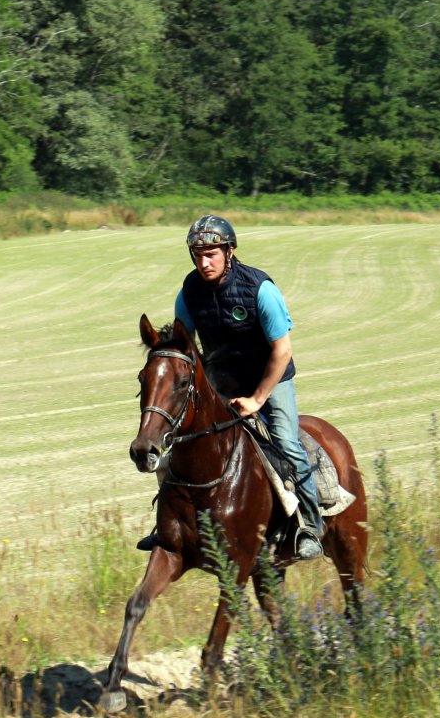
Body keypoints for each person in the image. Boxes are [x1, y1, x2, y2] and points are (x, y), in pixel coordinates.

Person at [139, 214, 325, 560]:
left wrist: (257, 399)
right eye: (198, 256)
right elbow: (184, 349)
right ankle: (167, 524)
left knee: (286, 443)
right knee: (177, 444)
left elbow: (283, 351)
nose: (204, 263)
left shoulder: (260, 289)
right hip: (222, 381)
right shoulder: (189, 293)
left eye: (211, 254)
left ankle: (309, 526)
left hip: (269, 379)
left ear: (230, 251)